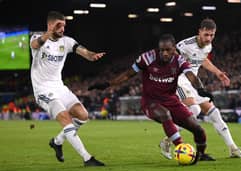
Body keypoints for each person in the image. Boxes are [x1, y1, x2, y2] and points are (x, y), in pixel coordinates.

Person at [89, 34, 215, 162]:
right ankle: (180, 148)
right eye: (162, 50)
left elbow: (191, 76)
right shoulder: (147, 58)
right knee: (165, 114)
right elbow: (128, 74)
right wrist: (107, 84)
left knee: (198, 129)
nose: (165, 53)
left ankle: (201, 154)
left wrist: (201, 89)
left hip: (171, 101)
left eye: (168, 50)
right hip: (150, 102)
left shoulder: (180, 60)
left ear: (174, 49)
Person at [160, 18, 241, 159]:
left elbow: (203, 60)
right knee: (194, 110)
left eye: (212, 35)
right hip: (178, 81)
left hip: (193, 82)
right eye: (206, 35)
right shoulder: (184, 45)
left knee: (215, 114)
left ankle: (233, 149)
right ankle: (168, 140)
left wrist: (218, 73)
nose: (209, 38)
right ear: (200, 32)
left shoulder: (208, 46)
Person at [30, 11, 106, 167]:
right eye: (59, 25)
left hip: (59, 87)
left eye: (64, 25)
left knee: (83, 115)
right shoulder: (38, 39)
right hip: (43, 90)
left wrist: (92, 55)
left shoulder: (67, 42)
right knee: (65, 118)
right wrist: (48, 33)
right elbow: (34, 45)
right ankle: (87, 158)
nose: (62, 29)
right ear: (50, 25)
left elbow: (83, 51)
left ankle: (57, 142)